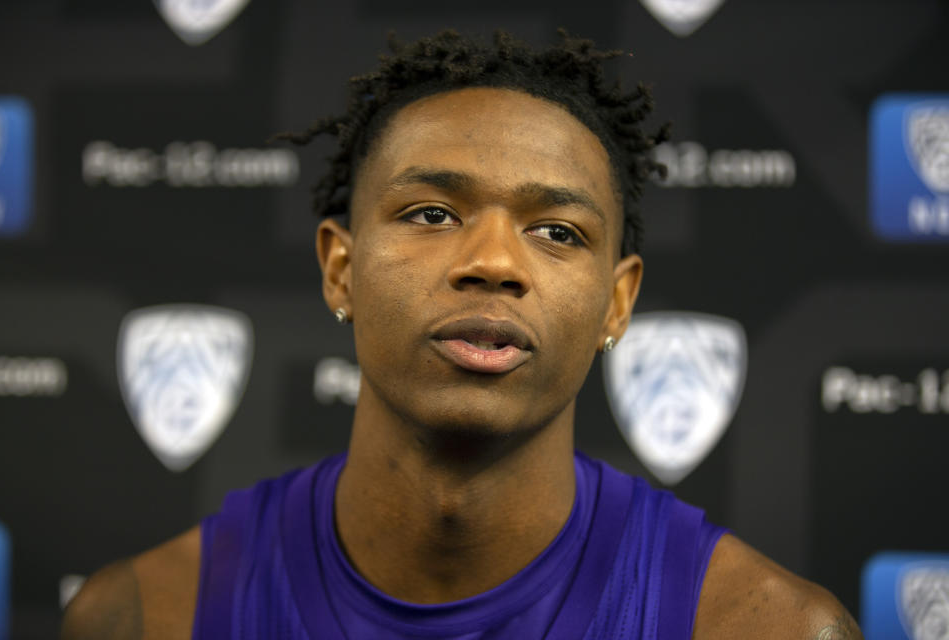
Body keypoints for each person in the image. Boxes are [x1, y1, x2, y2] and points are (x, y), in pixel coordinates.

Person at [62, 30, 862, 639]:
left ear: (618, 305)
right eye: (433, 214)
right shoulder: (143, 616)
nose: (492, 263)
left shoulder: (764, 626)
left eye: (556, 231)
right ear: (341, 268)